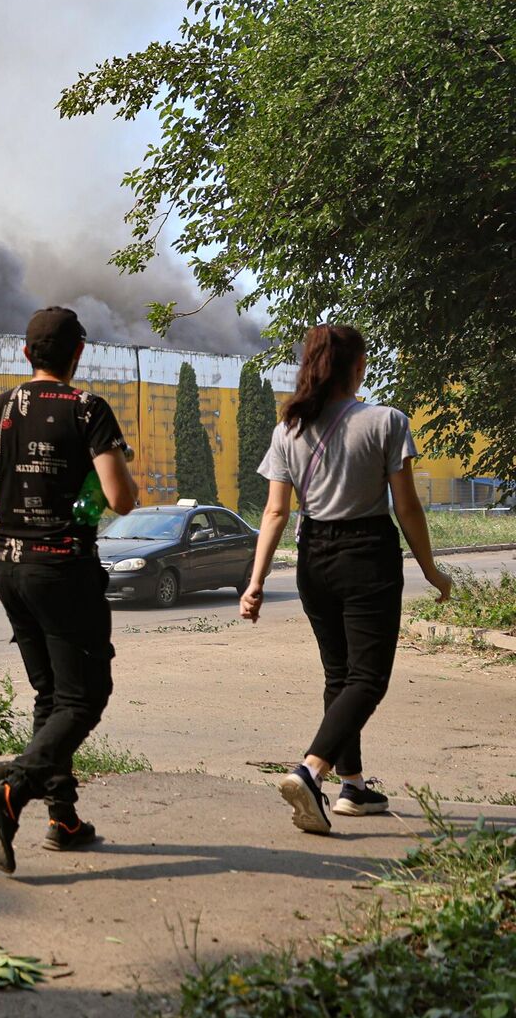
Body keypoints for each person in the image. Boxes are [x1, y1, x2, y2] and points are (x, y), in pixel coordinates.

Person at [240, 325, 452, 833]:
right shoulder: (385, 421)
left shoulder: (287, 428)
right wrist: (431, 570)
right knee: (368, 677)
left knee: (340, 675)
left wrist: (256, 581)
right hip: (367, 555)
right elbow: (406, 506)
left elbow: (274, 514)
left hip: (313, 554)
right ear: (356, 367)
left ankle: (352, 788)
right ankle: (311, 771)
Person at [0, 307, 138, 874]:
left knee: (50, 696)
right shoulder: (88, 409)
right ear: (78, 352)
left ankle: (62, 818)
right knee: (84, 697)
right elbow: (121, 500)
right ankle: (11, 795)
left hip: (9, 569)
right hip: (64, 570)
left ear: (25, 352)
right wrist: (117, 469)